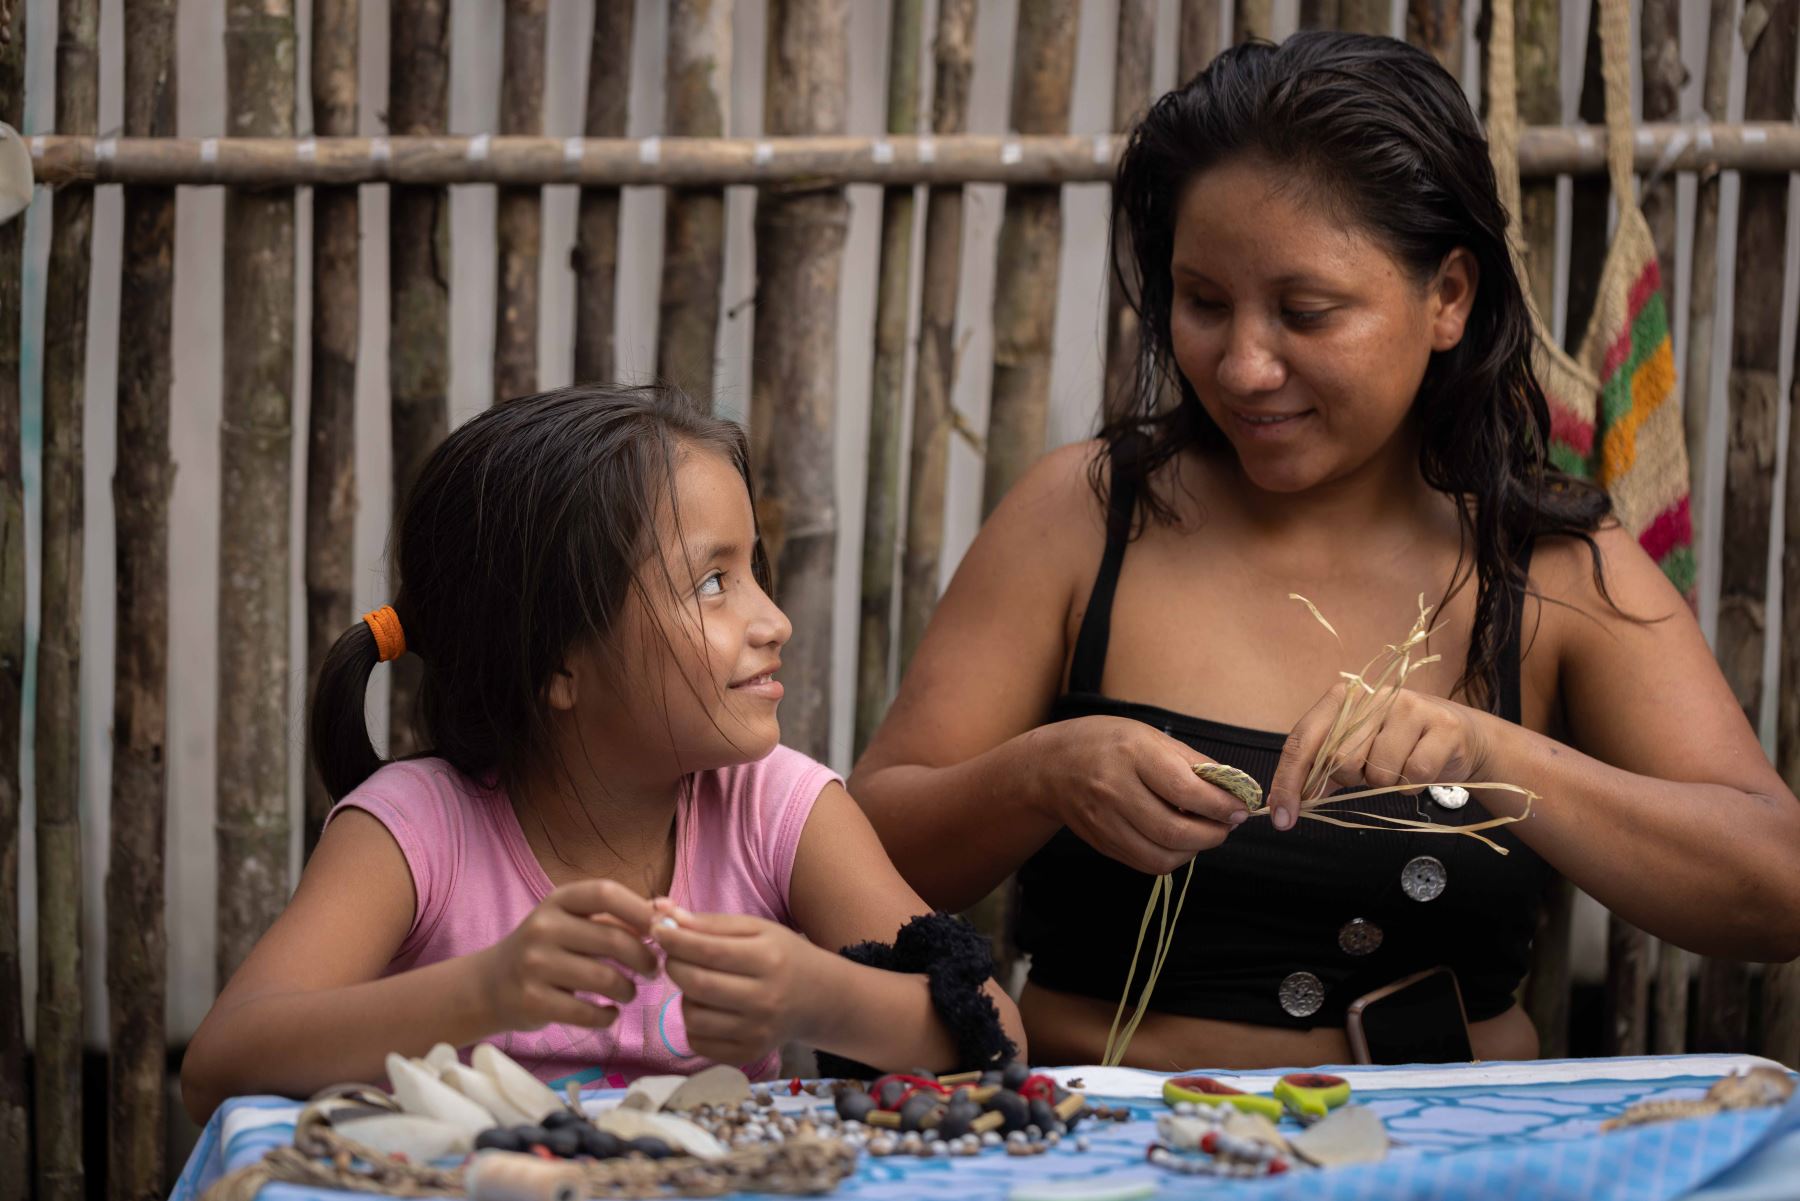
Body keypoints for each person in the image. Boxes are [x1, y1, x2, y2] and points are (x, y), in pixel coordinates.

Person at [850, 32, 1800, 1069]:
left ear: (1447, 297)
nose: (1245, 365)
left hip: (1456, 1155)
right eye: (1205, 303)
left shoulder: (1552, 564)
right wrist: (1039, 776)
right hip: (1108, 1152)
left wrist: (1495, 755)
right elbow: (864, 850)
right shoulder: (1086, 517)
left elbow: (1776, 885)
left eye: (1305, 313)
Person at [181, 385, 1023, 1121]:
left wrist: (816, 996)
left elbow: (999, 1037)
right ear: (556, 662)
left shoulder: (775, 809)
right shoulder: (417, 827)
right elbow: (221, 1063)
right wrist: (485, 991)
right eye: (713, 583)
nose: (775, 621)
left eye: (753, 569)